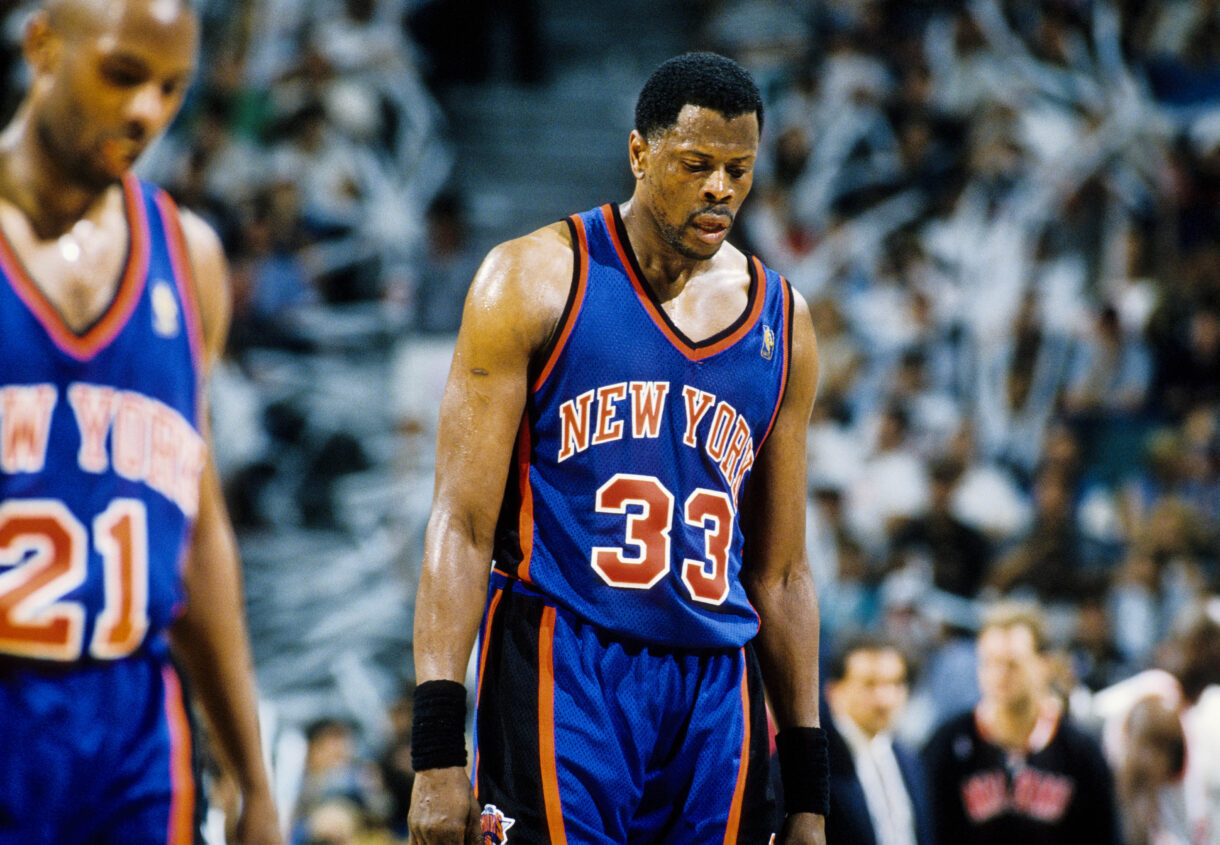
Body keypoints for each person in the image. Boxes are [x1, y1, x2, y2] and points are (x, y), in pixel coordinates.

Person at [408, 52, 826, 844]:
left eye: (739, 170)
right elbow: (459, 525)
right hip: (565, 660)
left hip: (716, 689)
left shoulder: (784, 322)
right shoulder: (530, 279)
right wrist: (435, 749)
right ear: (639, 154)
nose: (720, 190)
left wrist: (809, 786)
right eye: (696, 164)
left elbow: (781, 572)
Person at [0, 1, 280, 843]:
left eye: (171, 89)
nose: (145, 112)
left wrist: (252, 775)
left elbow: (199, 533)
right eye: (123, 74)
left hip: (134, 719)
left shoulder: (188, 254)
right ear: (43, 48)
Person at [922, 601, 1118, 845]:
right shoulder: (946, 745)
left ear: (1044, 665)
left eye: (1012, 664)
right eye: (989, 663)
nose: (999, 675)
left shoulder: (1081, 752)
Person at [823, 636, 934, 845]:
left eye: (894, 683)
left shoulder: (910, 761)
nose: (884, 698)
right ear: (834, 691)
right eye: (869, 684)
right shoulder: (813, 765)